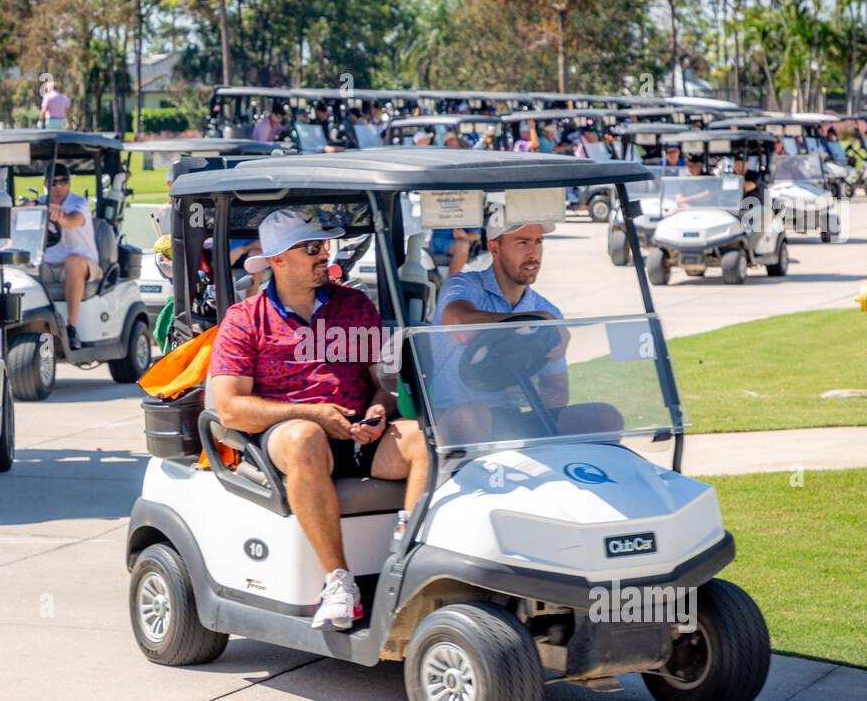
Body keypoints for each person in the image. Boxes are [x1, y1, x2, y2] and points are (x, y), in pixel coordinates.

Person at [209, 208, 429, 631]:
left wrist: (380, 409)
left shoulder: (353, 304)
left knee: (420, 437)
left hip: (358, 432)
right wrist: (311, 413)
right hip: (287, 437)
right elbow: (231, 407)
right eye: (311, 248)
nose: (323, 256)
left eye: (324, 246)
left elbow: (380, 381)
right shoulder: (245, 320)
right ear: (278, 259)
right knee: (305, 437)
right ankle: (339, 582)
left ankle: (407, 561)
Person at [434, 220, 622, 443]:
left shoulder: (546, 310)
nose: (533, 253)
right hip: (450, 417)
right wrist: (533, 322)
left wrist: (530, 394)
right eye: (522, 243)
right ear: (494, 248)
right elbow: (460, 329)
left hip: (509, 418)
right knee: (473, 415)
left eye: (538, 242)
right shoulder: (464, 286)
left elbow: (558, 392)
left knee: (604, 418)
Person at [41, 163, 101, 351]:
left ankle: (71, 327)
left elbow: (72, 220)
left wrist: (59, 217)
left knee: (73, 261)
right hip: (50, 264)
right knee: (20, 268)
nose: (58, 186)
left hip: (85, 265)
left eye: (63, 181)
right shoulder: (40, 203)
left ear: (69, 184)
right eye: (53, 182)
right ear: (45, 183)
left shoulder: (78, 203)